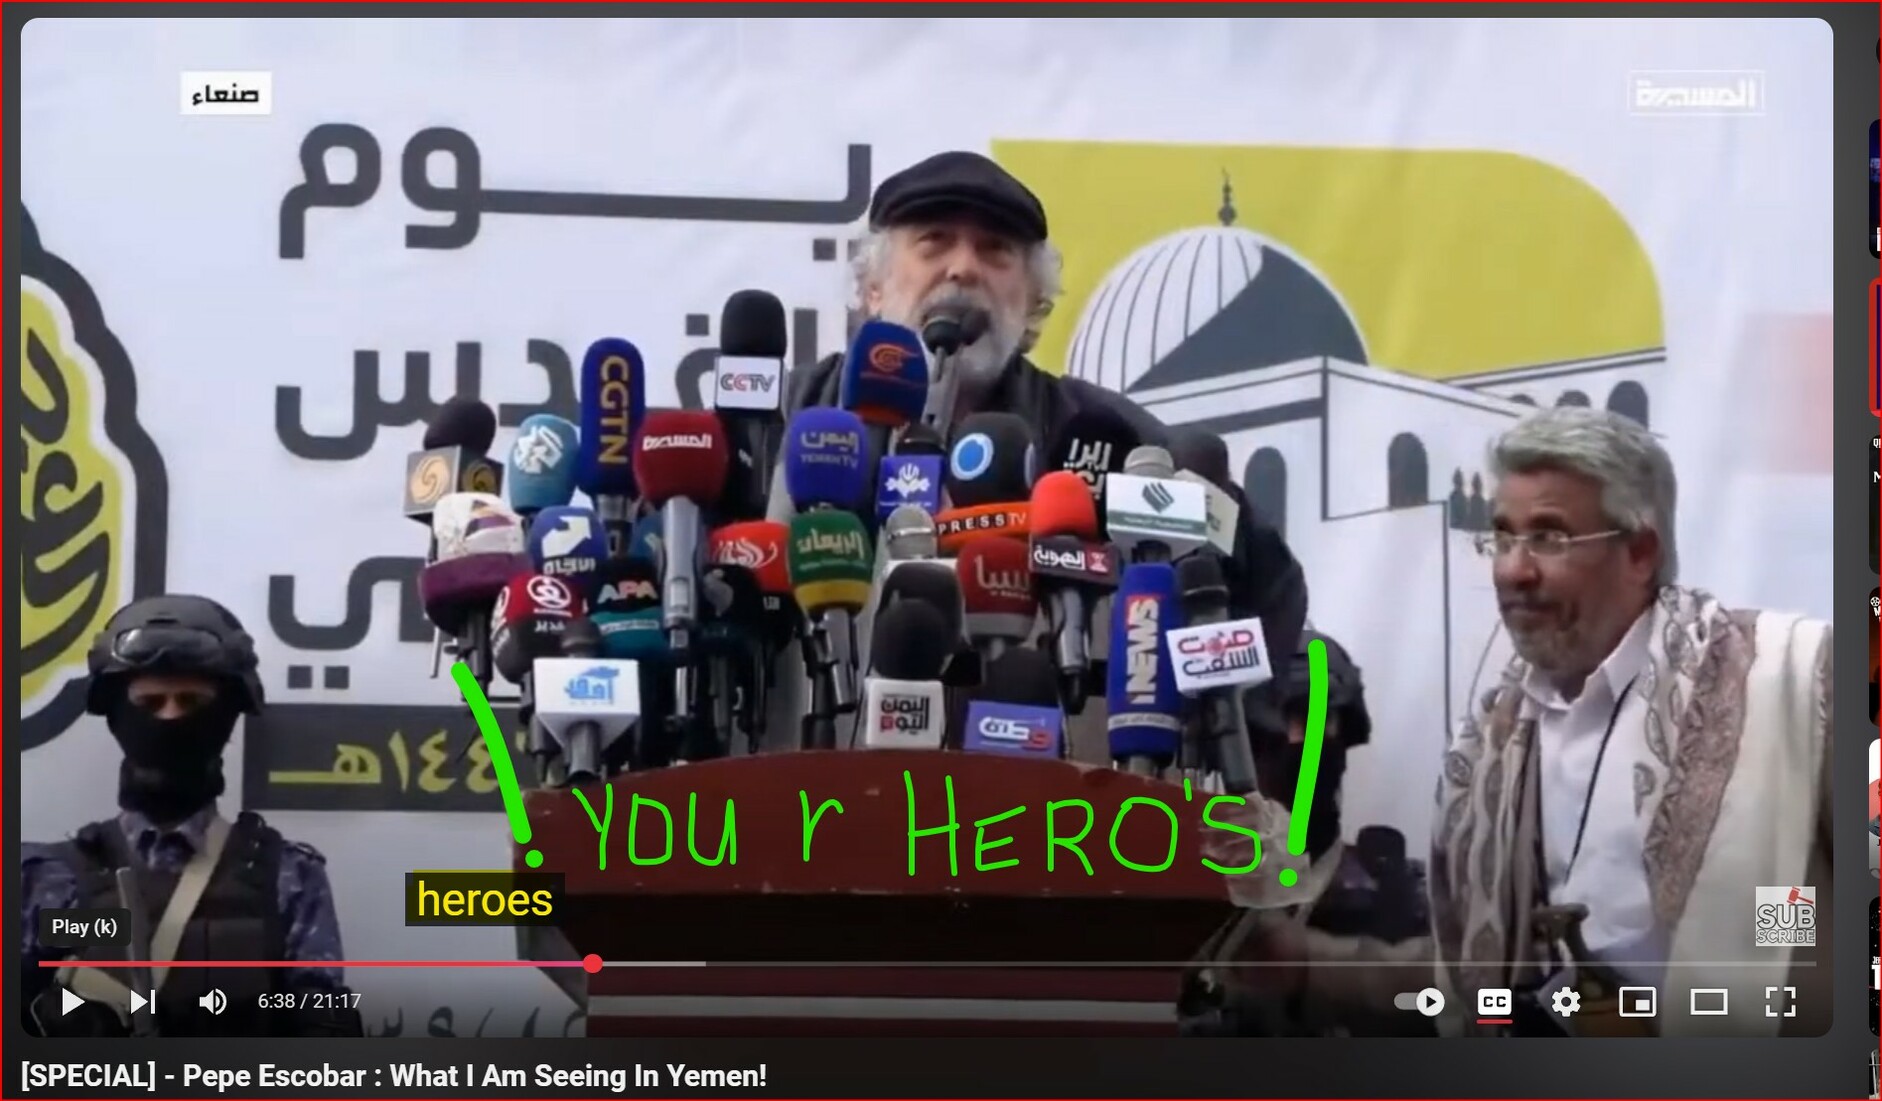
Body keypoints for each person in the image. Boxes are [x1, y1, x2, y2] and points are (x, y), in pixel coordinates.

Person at [761, 150, 1309, 755]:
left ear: (1032, 305)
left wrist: (1238, 724)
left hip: (1041, 796)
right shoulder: (786, 422)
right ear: (873, 288)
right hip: (809, 788)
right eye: (934, 242)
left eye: (995, 250)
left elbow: (1259, 579)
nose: (963, 268)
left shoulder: (1103, 440)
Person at [1429, 407, 1832, 1037]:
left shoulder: (1791, 677)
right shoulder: (1492, 737)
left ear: (1640, 552)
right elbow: (1466, 963)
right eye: (1503, 538)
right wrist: (1308, 967)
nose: (1512, 570)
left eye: (1550, 538)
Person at [20, 595, 364, 1037]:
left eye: (191, 701)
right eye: (149, 702)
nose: (170, 717)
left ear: (226, 715)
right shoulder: (43, 880)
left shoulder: (289, 878)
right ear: (117, 715)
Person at [1185, 631, 1435, 1037]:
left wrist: (1318, 970)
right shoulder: (1189, 893)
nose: (1299, 742)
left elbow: (1474, 1007)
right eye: (1275, 724)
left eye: (1314, 720)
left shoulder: (1407, 893)